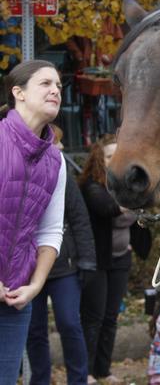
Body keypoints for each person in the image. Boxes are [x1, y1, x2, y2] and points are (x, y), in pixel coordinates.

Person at [0, 60, 66, 384]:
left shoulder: (56, 161)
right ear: (18, 92)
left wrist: (36, 285)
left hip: (15, 299)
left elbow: (50, 230)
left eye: (59, 86)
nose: (55, 90)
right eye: (45, 84)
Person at [25, 125, 96, 385]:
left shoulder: (61, 172)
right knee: (34, 330)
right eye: (58, 142)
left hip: (63, 266)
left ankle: (78, 379)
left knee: (69, 323)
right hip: (28, 269)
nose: (63, 147)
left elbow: (79, 218)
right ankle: (39, 380)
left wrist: (87, 260)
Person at [79, 135, 138, 384]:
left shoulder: (123, 186)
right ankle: (87, 371)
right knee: (94, 318)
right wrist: (134, 201)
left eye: (118, 155)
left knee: (111, 317)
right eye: (108, 156)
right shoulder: (92, 187)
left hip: (121, 258)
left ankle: (104, 369)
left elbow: (134, 216)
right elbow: (108, 209)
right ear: (98, 160)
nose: (114, 160)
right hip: (98, 261)